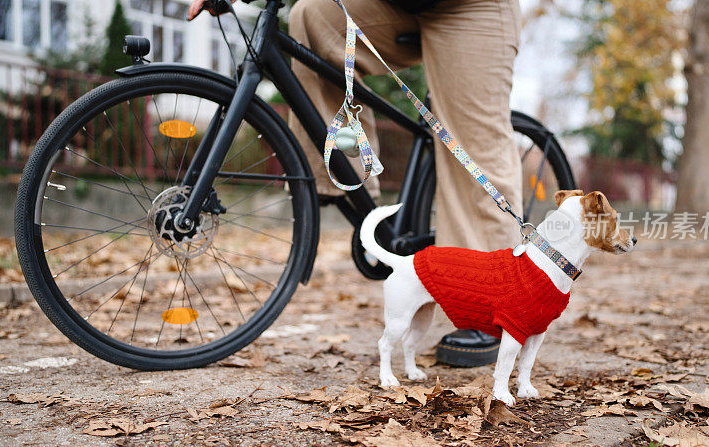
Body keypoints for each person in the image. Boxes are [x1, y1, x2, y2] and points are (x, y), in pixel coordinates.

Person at [188, 0, 523, 367]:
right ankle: (342, 177)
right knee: (312, 16)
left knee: (469, 143)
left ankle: (488, 307)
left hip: (470, 7)